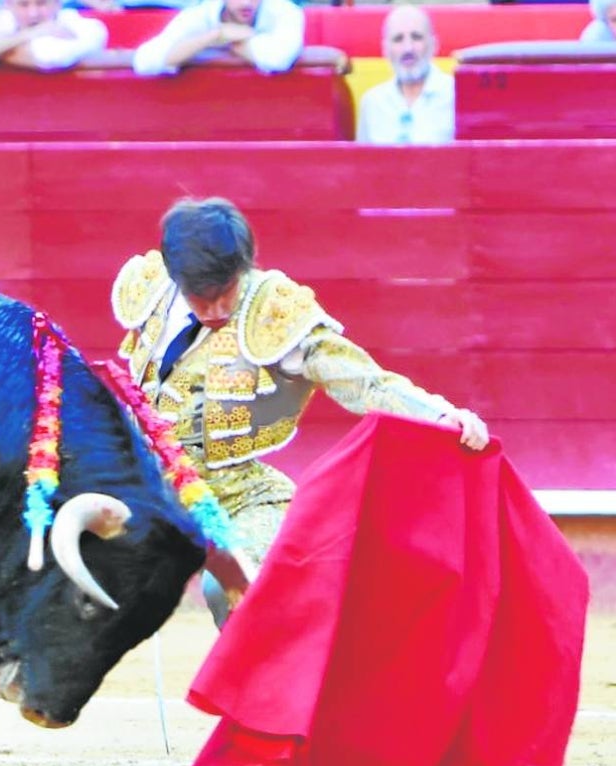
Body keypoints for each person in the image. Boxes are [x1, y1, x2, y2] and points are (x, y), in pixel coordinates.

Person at [111, 197, 489, 624]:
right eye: (203, 298)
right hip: (143, 484)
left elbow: (360, 379)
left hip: (238, 494)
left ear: (244, 268)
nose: (217, 311)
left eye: (227, 293)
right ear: (175, 278)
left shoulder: (273, 311)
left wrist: (438, 416)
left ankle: (254, 690)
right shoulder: (151, 294)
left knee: (237, 585)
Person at [356, 4, 454, 145]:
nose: (408, 48)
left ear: (434, 44)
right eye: (398, 39)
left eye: (416, 37)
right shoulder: (372, 103)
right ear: (385, 49)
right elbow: (362, 164)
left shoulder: (456, 96)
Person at [132, 0, 303, 77]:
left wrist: (230, 41)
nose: (247, 4)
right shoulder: (200, 15)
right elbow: (144, 62)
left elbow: (278, 60)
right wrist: (213, 36)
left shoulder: (285, 11)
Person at [0, 0, 108, 75]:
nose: (33, 13)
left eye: (41, 3)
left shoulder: (84, 26)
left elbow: (50, 57)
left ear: (57, 3)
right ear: (8, 5)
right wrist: (29, 34)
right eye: (24, 4)